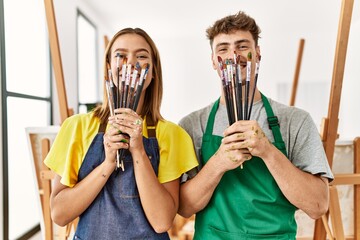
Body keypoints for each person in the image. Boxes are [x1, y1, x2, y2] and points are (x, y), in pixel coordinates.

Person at [178, 11, 333, 239]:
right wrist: (218, 163)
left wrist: (268, 151)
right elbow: (185, 208)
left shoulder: (295, 121)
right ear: (213, 61)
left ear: (257, 54)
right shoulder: (193, 125)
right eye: (223, 49)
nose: (234, 55)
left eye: (242, 46)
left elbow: (318, 205)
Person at [44, 27, 198, 240]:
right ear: (109, 68)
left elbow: (162, 221)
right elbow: (59, 214)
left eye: (142, 56)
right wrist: (107, 163)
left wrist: (138, 151)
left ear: (152, 72)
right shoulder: (75, 127)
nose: (131, 63)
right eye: (121, 55)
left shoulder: (173, 135)